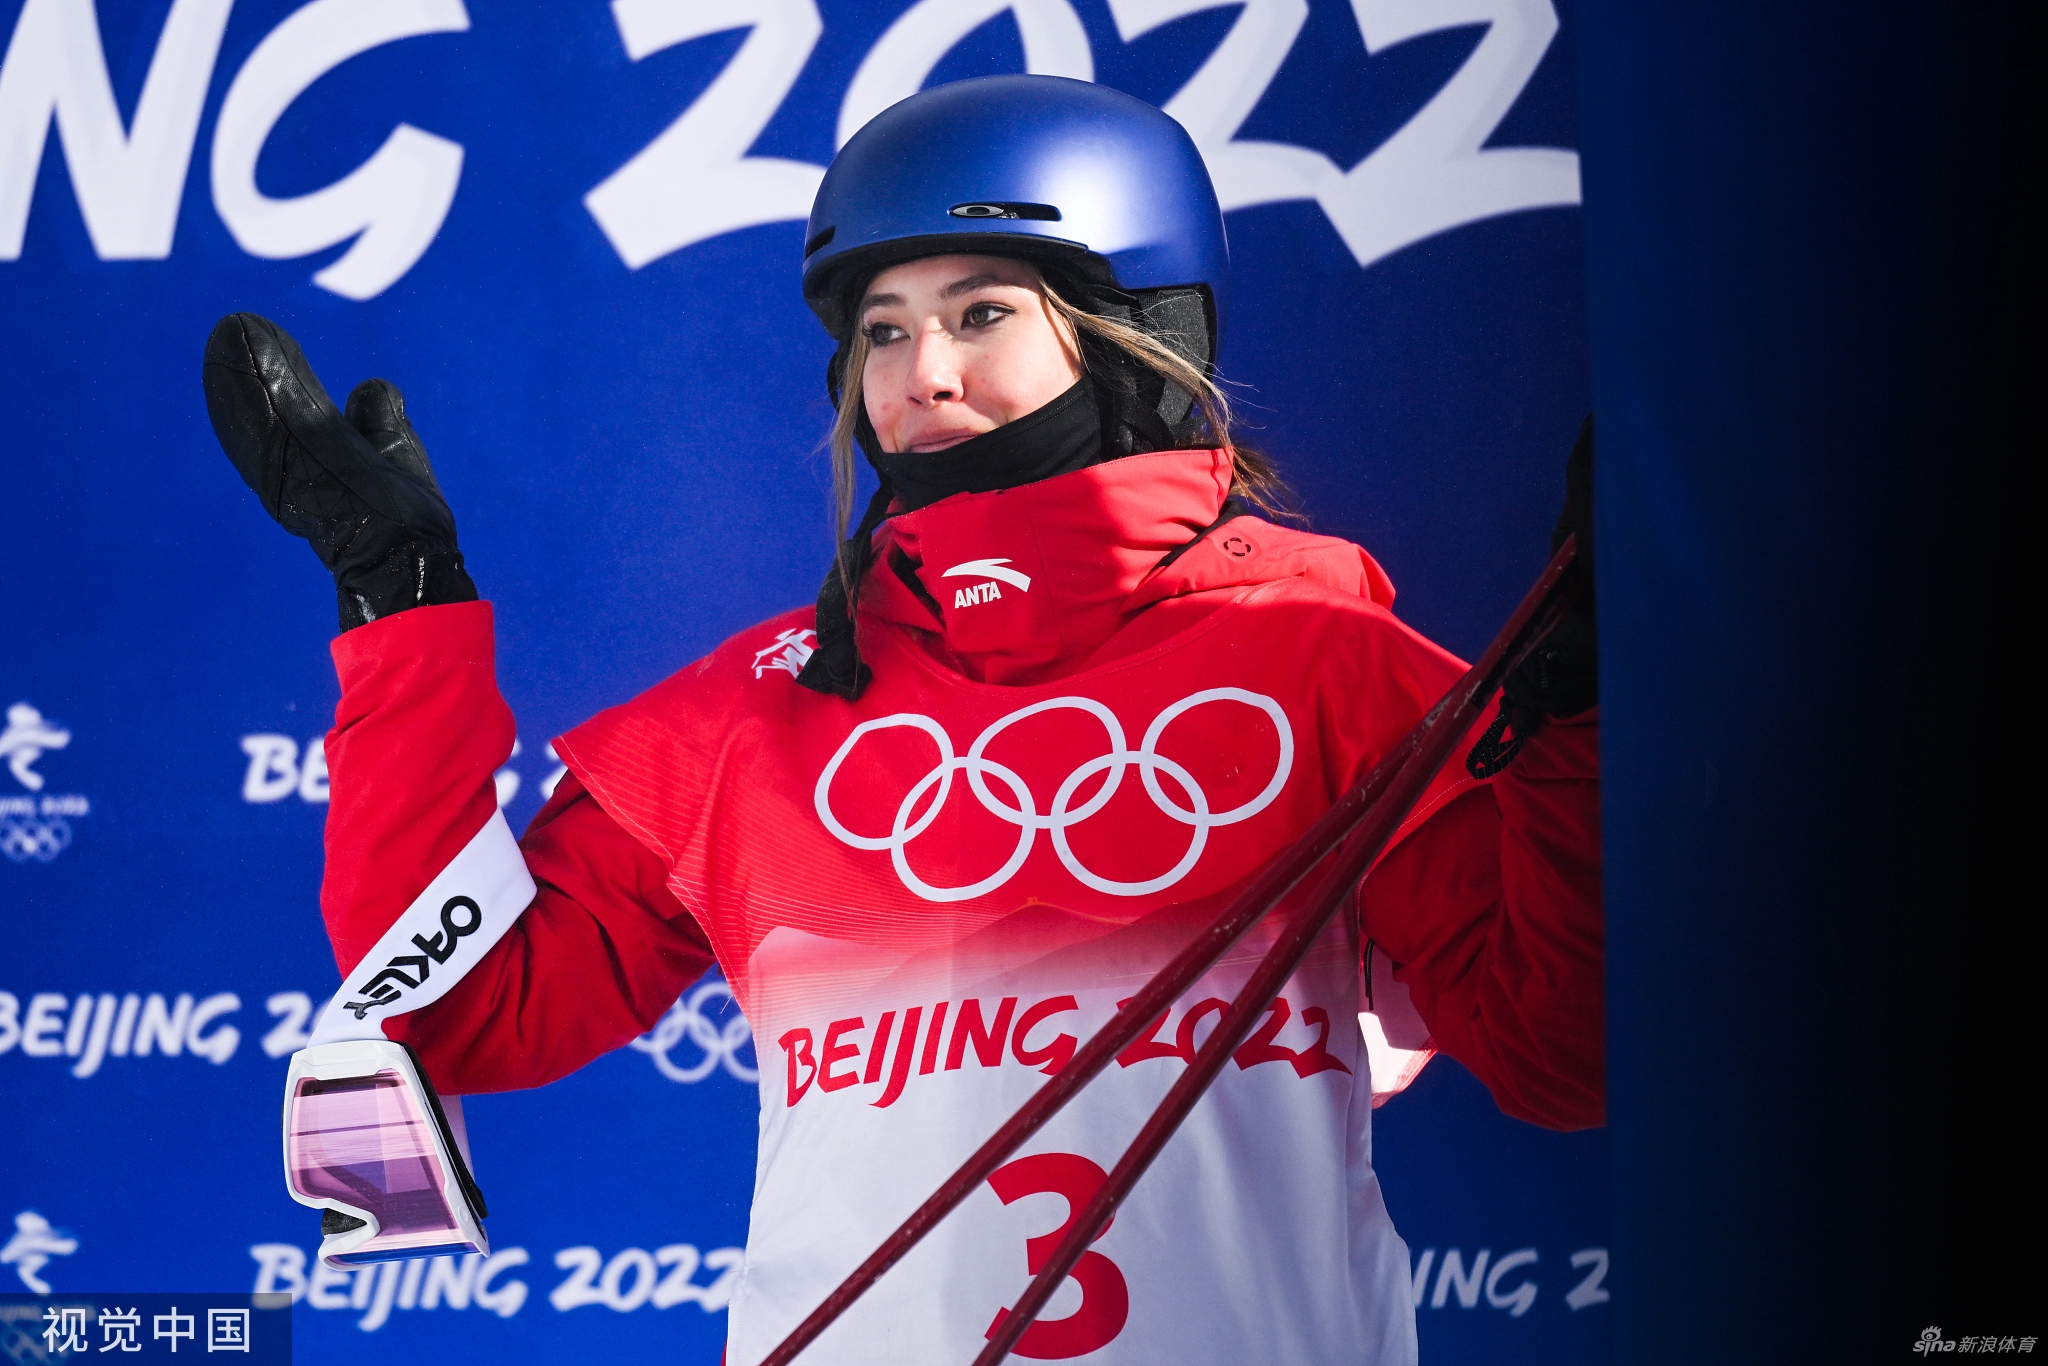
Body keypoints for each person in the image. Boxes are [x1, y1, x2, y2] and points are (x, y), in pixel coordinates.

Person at [203, 75, 1599, 1365]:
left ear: (1138, 338)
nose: (918, 373)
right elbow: (463, 1012)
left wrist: (1582, 718)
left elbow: (1564, 1050)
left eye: (982, 311)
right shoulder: (765, 713)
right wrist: (405, 608)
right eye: (882, 327)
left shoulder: (1327, 669)